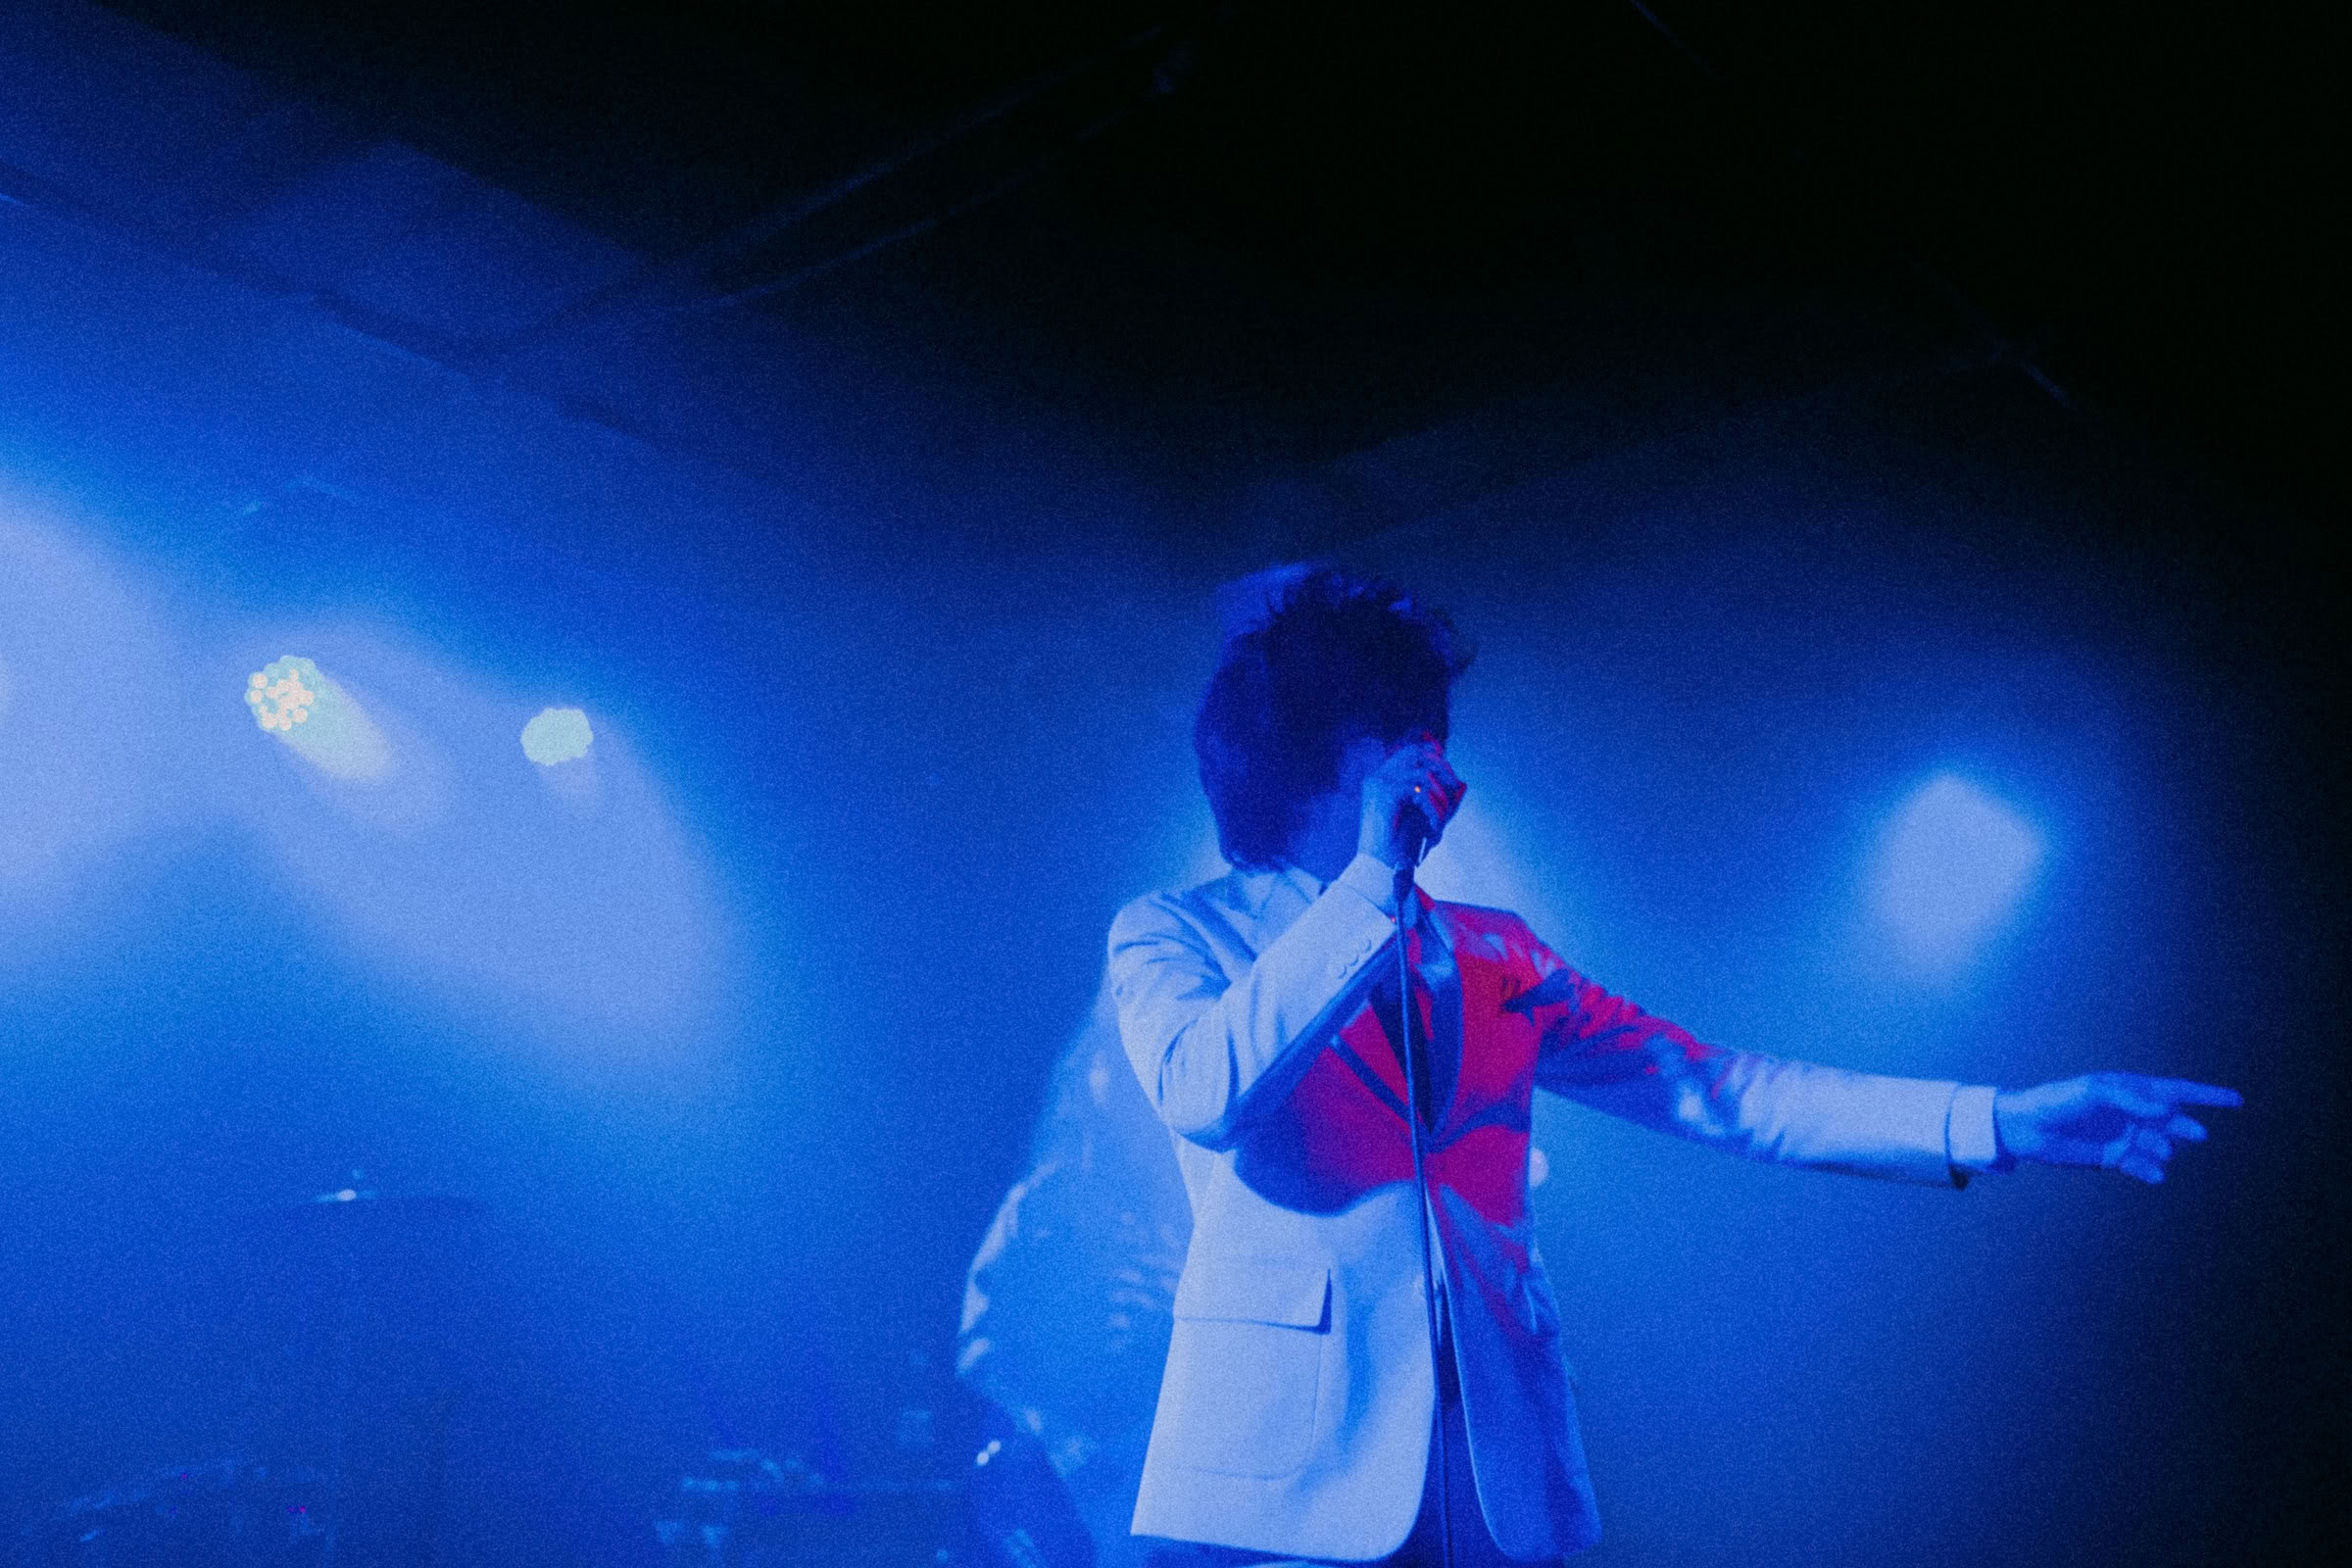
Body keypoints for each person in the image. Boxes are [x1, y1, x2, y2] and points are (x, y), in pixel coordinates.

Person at [1105, 566, 2239, 1567]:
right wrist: (1367, 884)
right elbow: (1206, 1089)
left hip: (1492, 1483)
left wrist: (1995, 1120)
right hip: (1275, 1489)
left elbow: (1725, 1088)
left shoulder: (1496, 951)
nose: (1431, 757)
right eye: (1394, 728)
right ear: (1314, 752)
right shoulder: (1174, 932)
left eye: (1431, 727)